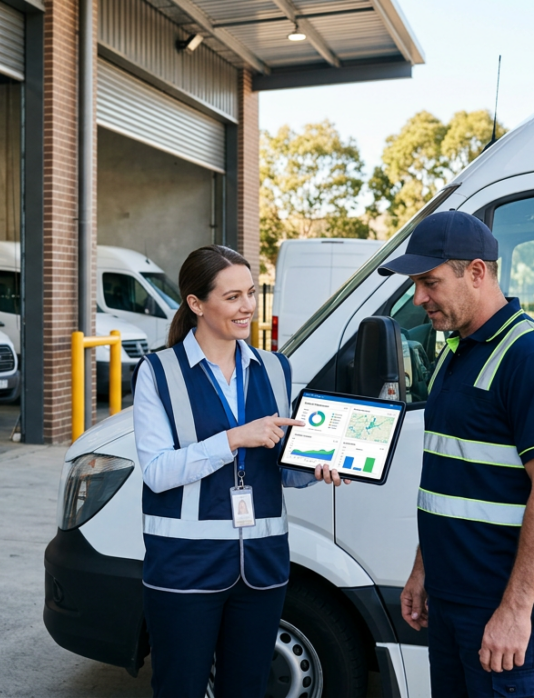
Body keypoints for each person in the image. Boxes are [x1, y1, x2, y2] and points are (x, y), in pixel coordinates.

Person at [133, 244, 347, 698]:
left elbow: (279, 470)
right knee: (180, 689)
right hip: (185, 571)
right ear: (196, 304)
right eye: (232, 297)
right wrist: (233, 439)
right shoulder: (159, 372)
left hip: (263, 567)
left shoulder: (274, 368)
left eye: (250, 293)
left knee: (249, 689)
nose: (248, 306)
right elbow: (156, 472)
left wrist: (314, 466)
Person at [382, 211, 534, 698]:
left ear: (476, 272)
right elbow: (450, 482)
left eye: (429, 282)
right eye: (415, 284)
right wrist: (423, 570)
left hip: (502, 613)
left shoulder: (533, 358)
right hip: (451, 606)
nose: (418, 298)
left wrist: (514, 611)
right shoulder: (456, 350)